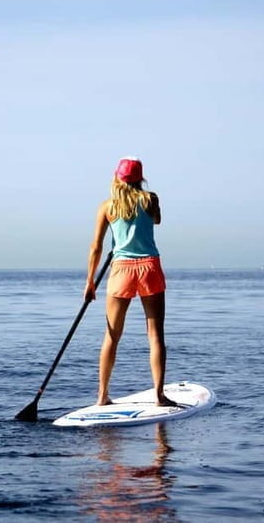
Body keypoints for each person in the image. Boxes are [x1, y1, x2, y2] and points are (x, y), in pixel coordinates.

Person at [85, 156, 177, 407]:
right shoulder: (151, 199)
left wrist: (90, 282)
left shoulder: (107, 206)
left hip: (121, 269)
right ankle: (159, 396)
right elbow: (156, 221)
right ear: (140, 178)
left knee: (111, 335)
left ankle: (102, 396)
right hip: (149, 267)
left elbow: (96, 247)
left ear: (117, 177)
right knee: (155, 335)